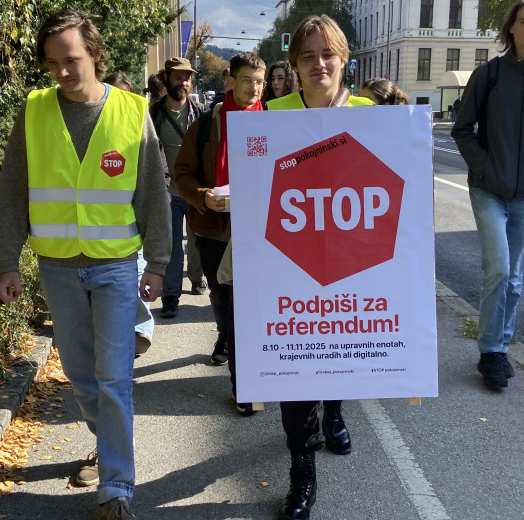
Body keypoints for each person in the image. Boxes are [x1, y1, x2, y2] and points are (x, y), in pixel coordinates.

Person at [0, 10, 170, 519]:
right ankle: (106, 439)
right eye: (52, 64)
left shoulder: (133, 111)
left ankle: (116, 488)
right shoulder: (34, 111)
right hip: (57, 267)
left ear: (94, 53)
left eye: (71, 60)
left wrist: (157, 262)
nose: (62, 72)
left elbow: (153, 197)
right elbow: (12, 192)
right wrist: (8, 261)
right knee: (80, 374)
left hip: (116, 265)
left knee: (113, 377)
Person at [266, 15, 374, 520]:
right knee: (295, 369)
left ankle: (336, 410)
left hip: (355, 261)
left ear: (344, 60)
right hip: (292, 264)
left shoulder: (372, 114)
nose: (319, 64)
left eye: (327, 54)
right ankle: (302, 470)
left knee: (342, 344)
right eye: (307, 56)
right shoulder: (271, 116)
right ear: (293, 65)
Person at [451, 0, 524, 392]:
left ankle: (499, 349)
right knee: (498, 269)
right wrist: (483, 169)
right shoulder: (489, 73)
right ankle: (489, 350)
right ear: (511, 28)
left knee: (514, 279)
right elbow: (462, 129)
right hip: (487, 190)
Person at [174, 52, 265, 400]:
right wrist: (201, 196)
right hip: (215, 227)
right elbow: (182, 173)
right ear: (230, 80)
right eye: (247, 80)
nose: (254, 88)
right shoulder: (207, 123)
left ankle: (245, 386)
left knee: (254, 307)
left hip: (261, 229)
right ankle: (225, 334)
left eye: (260, 81)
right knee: (225, 299)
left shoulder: (273, 120)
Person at [151, 57, 208, 319]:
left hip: (195, 189)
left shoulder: (199, 113)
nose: (183, 82)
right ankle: (171, 295)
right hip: (169, 192)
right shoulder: (154, 115)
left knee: (197, 241)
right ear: (167, 78)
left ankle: (197, 278)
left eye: (187, 78)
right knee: (173, 246)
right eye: (178, 77)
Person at [103, 72, 155, 357]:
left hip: (132, 229)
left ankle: (140, 330)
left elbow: (155, 176)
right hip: (98, 234)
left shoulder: (139, 129)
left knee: (135, 279)